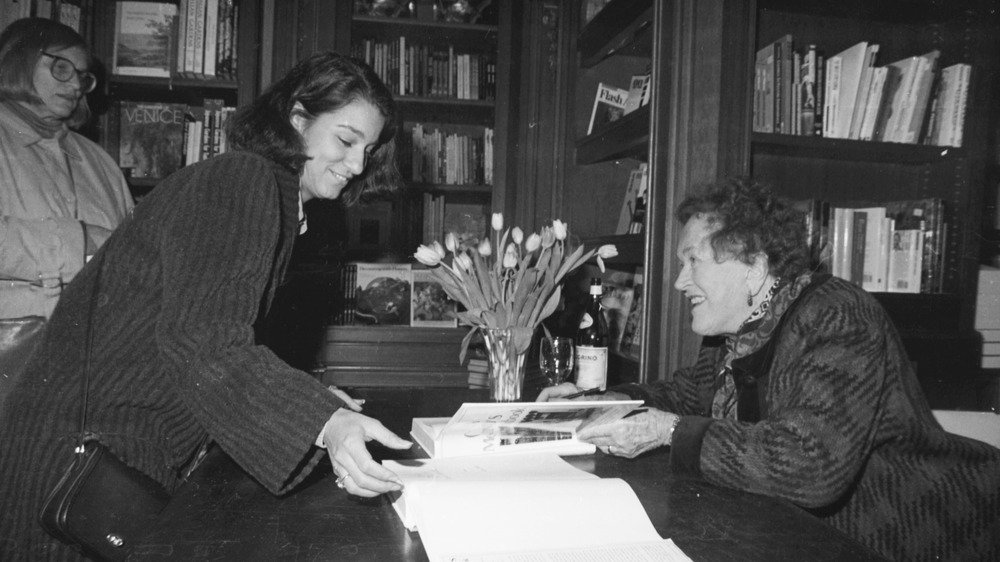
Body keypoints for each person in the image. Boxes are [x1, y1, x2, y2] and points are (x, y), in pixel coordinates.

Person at [0, 51, 411, 560]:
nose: (356, 165)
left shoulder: (270, 195)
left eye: (367, 150)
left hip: (98, 452)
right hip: (74, 466)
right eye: (346, 140)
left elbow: (203, 330)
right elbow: (204, 340)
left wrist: (313, 403)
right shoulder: (245, 180)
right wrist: (323, 421)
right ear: (297, 118)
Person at [539, 178, 1000, 562]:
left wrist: (669, 432)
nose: (680, 281)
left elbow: (811, 464)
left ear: (754, 267)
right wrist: (604, 402)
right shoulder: (737, 330)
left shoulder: (839, 315)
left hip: (913, 537)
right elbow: (687, 394)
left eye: (692, 260)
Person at [0, 18, 134, 319]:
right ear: (19, 61)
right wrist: (79, 240)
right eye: (61, 68)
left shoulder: (99, 162)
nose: (76, 85)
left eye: (83, 77)